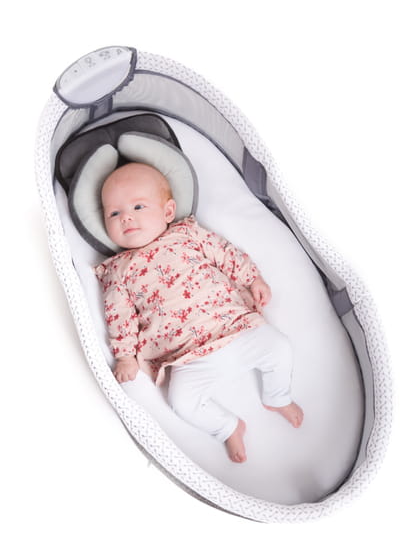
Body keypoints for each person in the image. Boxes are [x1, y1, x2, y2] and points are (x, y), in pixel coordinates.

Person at [94, 162, 303, 463]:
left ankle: (277, 396)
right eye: (114, 213)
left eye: (138, 206)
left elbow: (225, 253)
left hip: (233, 327)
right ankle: (227, 427)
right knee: (181, 402)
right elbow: (118, 316)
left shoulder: (186, 233)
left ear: (168, 211)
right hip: (186, 357)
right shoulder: (118, 270)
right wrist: (125, 356)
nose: (126, 217)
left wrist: (252, 278)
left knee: (280, 348)